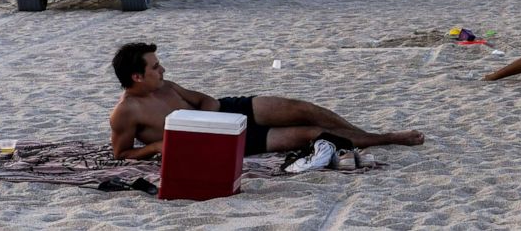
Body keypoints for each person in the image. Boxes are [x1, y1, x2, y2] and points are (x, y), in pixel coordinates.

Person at [109, 43, 425, 159]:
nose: (162, 69)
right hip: (218, 140)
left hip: (227, 110)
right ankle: (386, 139)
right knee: (310, 133)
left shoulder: (165, 85)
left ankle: (365, 134)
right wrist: (155, 147)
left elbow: (204, 99)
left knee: (301, 108)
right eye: (154, 66)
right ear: (137, 77)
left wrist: (207, 116)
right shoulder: (125, 113)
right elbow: (121, 153)